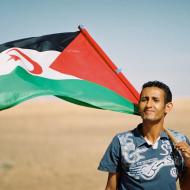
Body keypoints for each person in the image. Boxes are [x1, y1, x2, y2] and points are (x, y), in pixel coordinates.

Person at [98, 81, 190, 190]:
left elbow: (186, 187)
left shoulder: (180, 140)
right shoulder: (121, 142)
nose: (148, 105)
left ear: (168, 107)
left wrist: (189, 164)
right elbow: (111, 188)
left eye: (155, 100)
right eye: (144, 100)